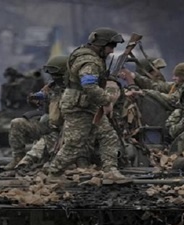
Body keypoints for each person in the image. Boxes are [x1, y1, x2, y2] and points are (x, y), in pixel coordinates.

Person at [46, 27, 125, 179]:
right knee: (75, 144)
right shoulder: (89, 62)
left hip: (87, 105)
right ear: (101, 45)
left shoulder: (89, 56)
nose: (112, 51)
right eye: (111, 46)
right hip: (78, 107)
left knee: (108, 136)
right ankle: (54, 173)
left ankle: (111, 171)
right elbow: (89, 86)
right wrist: (106, 100)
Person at [5, 55, 68, 170]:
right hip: (47, 124)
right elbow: (43, 103)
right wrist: (35, 101)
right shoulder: (51, 87)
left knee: (44, 143)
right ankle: (18, 158)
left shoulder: (73, 89)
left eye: (56, 74)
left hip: (64, 130)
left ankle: (27, 162)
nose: (53, 77)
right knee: (17, 123)